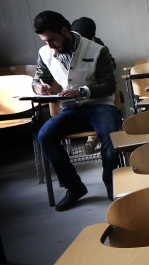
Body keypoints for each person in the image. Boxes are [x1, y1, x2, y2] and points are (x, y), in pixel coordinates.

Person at [31, 11, 122, 210]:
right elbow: (39, 78)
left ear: (65, 31)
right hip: (71, 109)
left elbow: (108, 85)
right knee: (45, 135)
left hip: (100, 106)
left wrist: (82, 91)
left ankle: (112, 183)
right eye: (45, 41)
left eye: (52, 40)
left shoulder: (97, 50)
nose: (49, 45)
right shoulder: (44, 53)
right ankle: (74, 187)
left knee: (111, 134)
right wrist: (39, 86)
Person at [70, 16, 115, 155]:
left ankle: (92, 138)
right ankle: (93, 137)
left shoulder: (98, 47)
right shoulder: (70, 45)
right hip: (74, 96)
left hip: (97, 93)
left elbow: (112, 65)